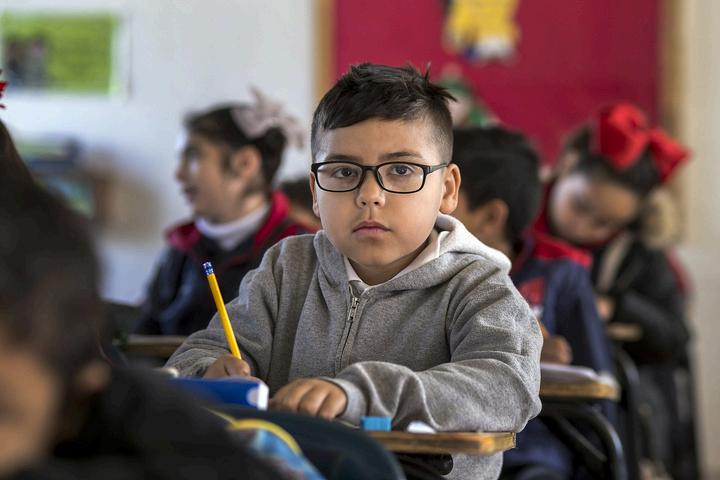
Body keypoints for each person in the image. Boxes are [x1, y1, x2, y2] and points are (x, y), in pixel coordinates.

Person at [167, 63, 542, 480]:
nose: (370, 195)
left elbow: (507, 387)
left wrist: (361, 393)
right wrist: (209, 370)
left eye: (402, 170)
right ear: (315, 192)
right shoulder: (287, 267)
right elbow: (197, 354)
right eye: (344, 172)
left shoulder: (479, 286)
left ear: (448, 190)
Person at [0, 185, 285, 479]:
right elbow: (181, 340)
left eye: (3, 411)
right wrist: (203, 367)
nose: (181, 175)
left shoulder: (175, 455)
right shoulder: (184, 245)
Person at [535, 102, 698, 478]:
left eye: (605, 223)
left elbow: (676, 336)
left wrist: (616, 306)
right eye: (580, 207)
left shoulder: (636, 252)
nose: (585, 228)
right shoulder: (514, 225)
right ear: (567, 165)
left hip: (594, 411)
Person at [451, 126, 614, 479]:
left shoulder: (560, 271)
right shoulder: (419, 269)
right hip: (442, 447)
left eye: (446, 193)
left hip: (530, 453)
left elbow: (596, 389)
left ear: (491, 217)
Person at [135, 88, 314, 336]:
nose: (178, 174)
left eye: (193, 156)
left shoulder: (301, 251)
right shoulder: (181, 247)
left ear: (245, 163)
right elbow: (143, 334)